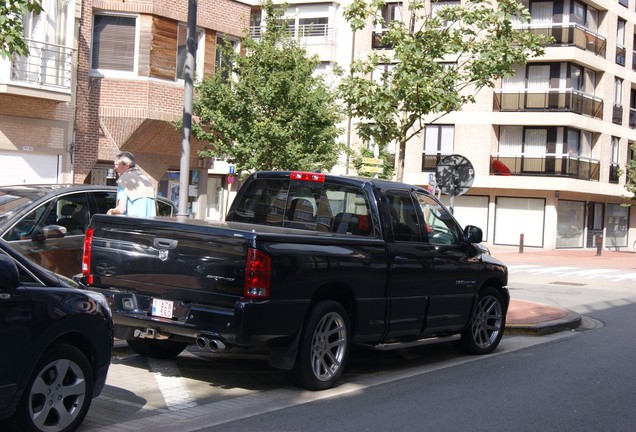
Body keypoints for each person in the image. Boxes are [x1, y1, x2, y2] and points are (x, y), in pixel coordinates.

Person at [107, 151, 157, 217]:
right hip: (149, 225)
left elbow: (121, 209)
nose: (115, 168)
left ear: (127, 165)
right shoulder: (147, 181)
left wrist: (112, 211)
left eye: (117, 164)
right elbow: (156, 208)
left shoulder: (124, 181)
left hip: (132, 225)